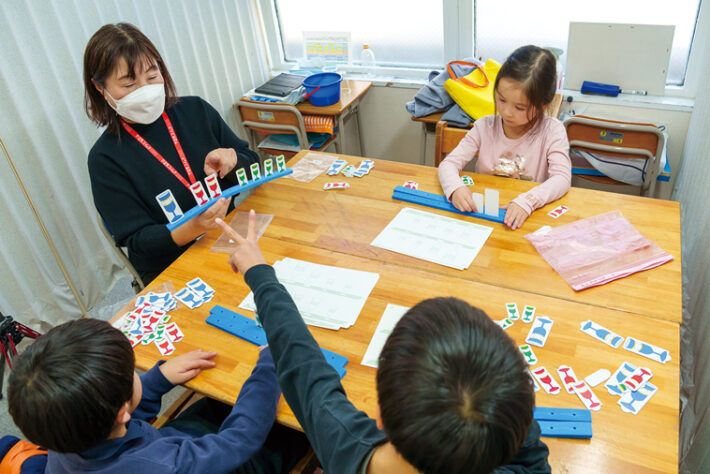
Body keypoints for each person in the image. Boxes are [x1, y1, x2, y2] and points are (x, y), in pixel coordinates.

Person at [215, 211, 551, 474]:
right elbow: (532, 459)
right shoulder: (510, 458)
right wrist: (504, 395)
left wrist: (259, 273)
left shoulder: (346, 446)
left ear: (379, 416)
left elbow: (301, 364)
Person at [7, 318, 308, 473]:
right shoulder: (162, 466)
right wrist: (271, 365)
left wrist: (158, 379)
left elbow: (105, 420)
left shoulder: (61, 434)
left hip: (156, 446)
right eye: (131, 374)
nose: (136, 374)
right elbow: (239, 441)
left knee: (216, 405)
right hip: (193, 460)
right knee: (298, 429)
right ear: (121, 411)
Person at [84, 23, 260, 284]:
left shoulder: (196, 111)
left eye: (152, 76)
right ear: (101, 89)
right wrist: (194, 227)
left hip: (229, 236)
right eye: (129, 83)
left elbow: (253, 166)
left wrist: (234, 161)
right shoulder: (105, 158)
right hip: (170, 264)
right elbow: (138, 242)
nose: (144, 89)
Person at [438, 45, 571, 231]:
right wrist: (455, 188)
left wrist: (529, 201)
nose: (506, 112)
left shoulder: (552, 131)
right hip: (483, 217)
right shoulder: (484, 126)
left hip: (525, 221)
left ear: (543, 105)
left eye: (520, 108)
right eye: (501, 99)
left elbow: (562, 179)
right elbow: (448, 164)